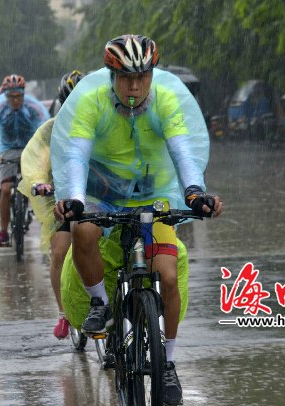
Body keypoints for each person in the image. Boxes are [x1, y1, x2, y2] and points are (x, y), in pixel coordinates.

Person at [50, 35, 223, 405]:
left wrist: (194, 191)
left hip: (153, 192)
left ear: (152, 74)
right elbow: (76, 156)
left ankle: (170, 364)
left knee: (169, 274)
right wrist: (76, 199)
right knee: (82, 231)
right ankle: (100, 304)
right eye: (125, 76)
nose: (134, 85)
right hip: (100, 189)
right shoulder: (91, 101)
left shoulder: (167, 99)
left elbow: (183, 149)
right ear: (111, 75)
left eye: (142, 76)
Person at [17, 70, 84, 339]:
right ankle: (64, 313)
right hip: (64, 198)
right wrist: (39, 182)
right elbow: (36, 160)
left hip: (101, 197)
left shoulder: (106, 123)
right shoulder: (51, 130)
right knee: (59, 252)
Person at [0, 74, 50, 247]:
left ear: (24, 94)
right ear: (5, 96)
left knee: (40, 186)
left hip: (31, 147)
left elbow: (48, 129)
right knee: (5, 189)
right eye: (11, 97)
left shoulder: (34, 107)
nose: (15, 100)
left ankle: (48, 226)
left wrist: (47, 152)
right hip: (7, 149)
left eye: (18, 96)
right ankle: (3, 231)